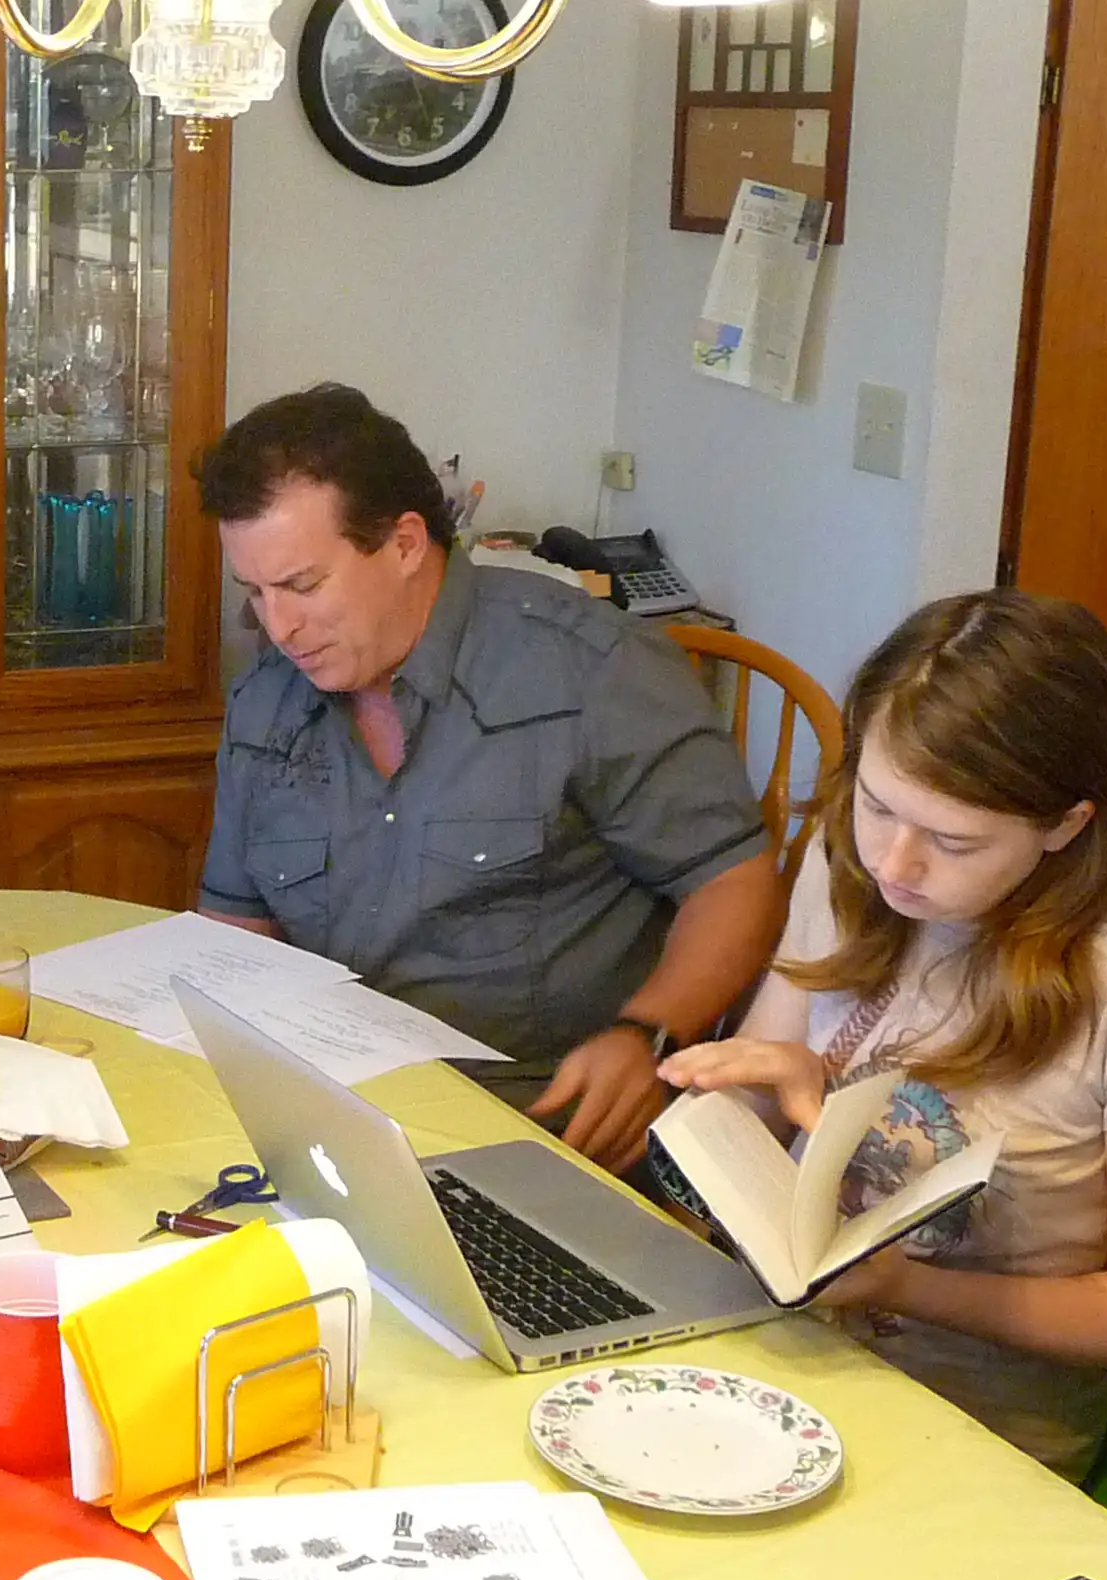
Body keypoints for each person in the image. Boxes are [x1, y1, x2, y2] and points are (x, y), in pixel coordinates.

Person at [655, 590, 1107, 1477]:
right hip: (783, 1374)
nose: (896, 864)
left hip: (974, 1446)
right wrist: (762, 1082)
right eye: (880, 805)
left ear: (1066, 825)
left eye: (956, 842)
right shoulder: (849, 862)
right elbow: (767, 1122)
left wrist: (911, 1289)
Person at [193, 384, 786, 1166]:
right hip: (333, 1123)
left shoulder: (589, 671)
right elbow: (235, 934)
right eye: (255, 595)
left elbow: (734, 884)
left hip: (538, 1131)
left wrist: (648, 1034)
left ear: (406, 544)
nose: (279, 627)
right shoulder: (268, 702)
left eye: (303, 586)